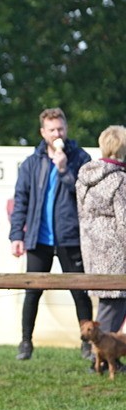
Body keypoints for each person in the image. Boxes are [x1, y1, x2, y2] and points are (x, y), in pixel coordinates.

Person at [8, 107, 93, 361]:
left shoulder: (80, 158)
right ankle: (26, 343)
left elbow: (85, 196)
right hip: (38, 239)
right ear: (43, 132)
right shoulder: (31, 163)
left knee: (80, 292)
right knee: (32, 291)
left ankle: (87, 344)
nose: (58, 133)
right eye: (52, 129)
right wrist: (16, 236)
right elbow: (20, 200)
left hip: (70, 238)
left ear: (66, 129)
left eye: (61, 128)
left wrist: (65, 170)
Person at [76, 125, 126, 339]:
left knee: (109, 303)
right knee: (113, 305)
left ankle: (108, 358)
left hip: (92, 247)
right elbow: (124, 222)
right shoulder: (120, 179)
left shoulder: (84, 178)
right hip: (116, 250)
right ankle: (102, 358)